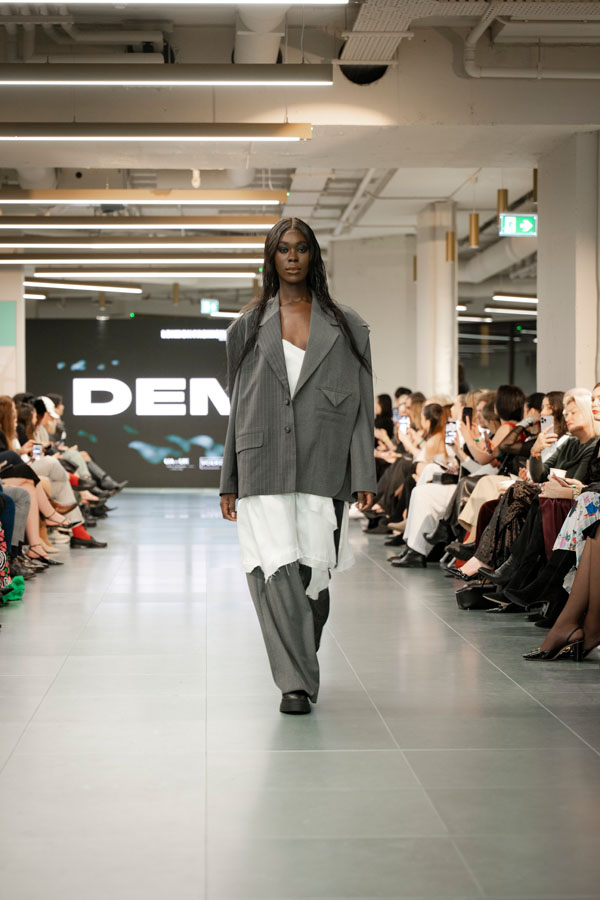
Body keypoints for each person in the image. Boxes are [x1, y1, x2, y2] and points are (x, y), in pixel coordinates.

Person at [219, 217, 376, 716]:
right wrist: (228, 478)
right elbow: (238, 405)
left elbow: (362, 403)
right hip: (261, 459)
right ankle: (294, 684)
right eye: (283, 248)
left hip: (324, 462)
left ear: (313, 255)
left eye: (301, 248)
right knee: (272, 571)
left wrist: (364, 473)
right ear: (271, 257)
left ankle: (301, 661)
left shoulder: (347, 325)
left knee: (314, 578)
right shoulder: (246, 326)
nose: (292, 256)